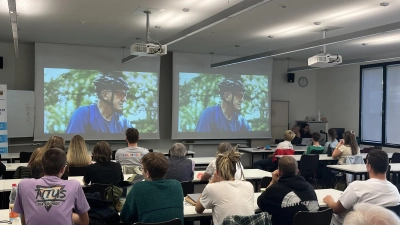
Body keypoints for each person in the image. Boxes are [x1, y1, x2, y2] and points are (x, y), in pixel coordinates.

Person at [13, 148, 90, 225]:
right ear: (63, 169)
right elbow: (85, 222)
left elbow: (24, 221)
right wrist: (68, 215)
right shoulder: (74, 185)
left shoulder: (24, 185)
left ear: (42, 166)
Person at [323, 149, 400, 225]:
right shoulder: (395, 191)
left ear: (369, 167)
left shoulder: (356, 187)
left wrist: (329, 200)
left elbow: (336, 209)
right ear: (387, 167)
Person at [120, 152, 184, 224]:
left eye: (142, 169)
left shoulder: (138, 188)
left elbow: (124, 216)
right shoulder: (176, 185)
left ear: (147, 173)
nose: (142, 171)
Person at [196, 150, 254, 225]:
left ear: (216, 172)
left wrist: (211, 182)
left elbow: (198, 209)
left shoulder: (211, 188)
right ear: (235, 171)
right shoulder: (249, 185)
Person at [257, 156, 319, 225]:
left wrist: (273, 182)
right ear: (297, 171)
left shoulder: (276, 190)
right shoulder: (309, 187)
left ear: (279, 172)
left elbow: (260, 203)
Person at [65, 72, 132, 133]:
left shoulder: (124, 122)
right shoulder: (84, 114)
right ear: (105, 94)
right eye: (120, 94)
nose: (124, 99)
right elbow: (73, 144)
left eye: (125, 95)